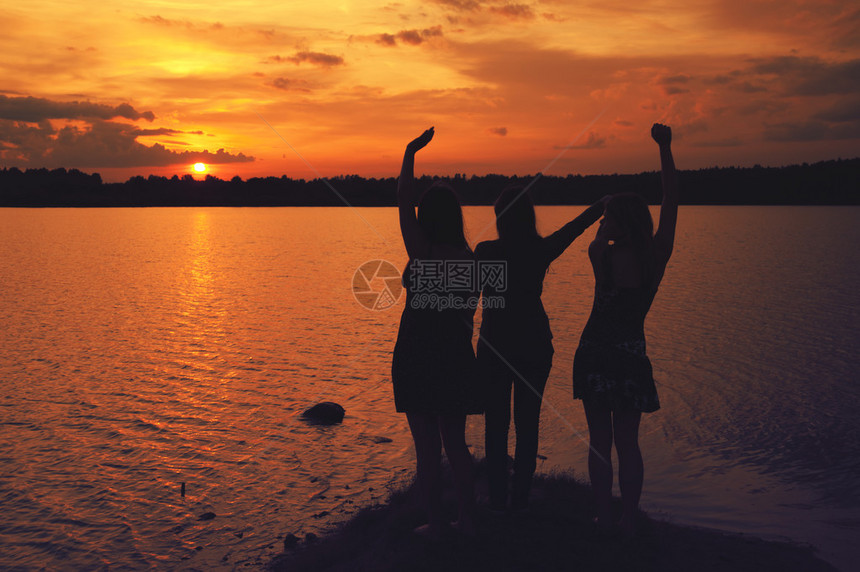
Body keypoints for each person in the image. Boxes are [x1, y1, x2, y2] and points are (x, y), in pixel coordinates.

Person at [573, 123, 678, 536]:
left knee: (600, 441)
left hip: (596, 352)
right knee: (627, 442)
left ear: (616, 222)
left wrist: (604, 221)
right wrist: (664, 149)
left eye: (608, 217)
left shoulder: (600, 253)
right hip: (631, 354)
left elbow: (598, 239)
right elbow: (670, 200)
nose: (604, 222)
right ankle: (629, 518)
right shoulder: (656, 256)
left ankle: (603, 514)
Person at [476, 187, 610, 512]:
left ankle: (497, 499)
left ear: (500, 219)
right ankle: (519, 499)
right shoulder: (540, 249)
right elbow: (574, 229)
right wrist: (601, 205)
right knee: (527, 424)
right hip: (534, 345)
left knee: (495, 425)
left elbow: (465, 294)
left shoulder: (486, 251)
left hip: (495, 346)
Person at [391, 127, 481, 537]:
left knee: (427, 450)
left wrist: (410, 152)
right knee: (456, 444)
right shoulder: (469, 258)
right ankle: (467, 519)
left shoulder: (422, 253)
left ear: (428, 219)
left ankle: (438, 523)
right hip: (457, 356)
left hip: (418, 355)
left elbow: (401, 201)